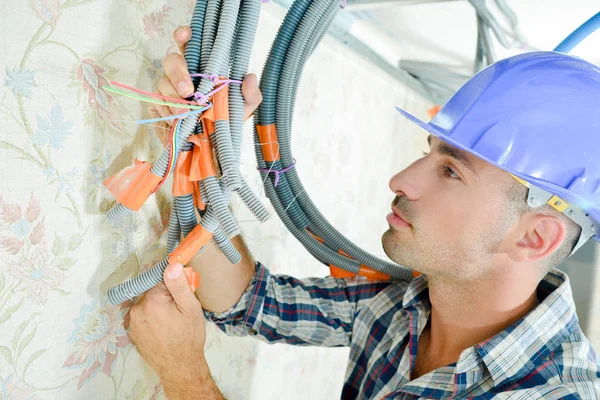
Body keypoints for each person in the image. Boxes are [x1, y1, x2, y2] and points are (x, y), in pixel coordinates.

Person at [127, 25, 600, 399]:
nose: (402, 180)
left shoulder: (550, 394)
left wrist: (184, 374)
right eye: (429, 152)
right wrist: (207, 144)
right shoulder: (405, 305)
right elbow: (250, 300)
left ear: (535, 237)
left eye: (452, 172)